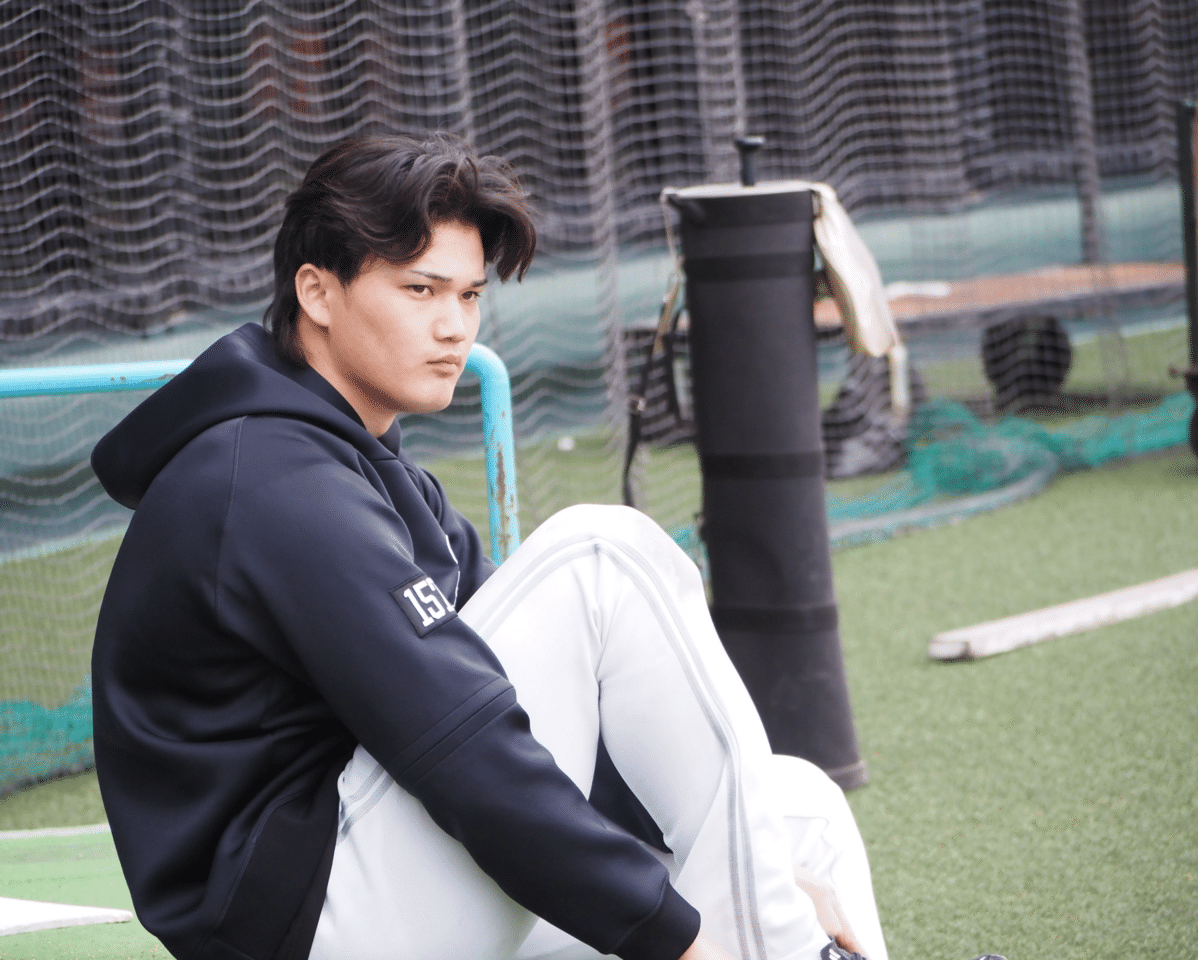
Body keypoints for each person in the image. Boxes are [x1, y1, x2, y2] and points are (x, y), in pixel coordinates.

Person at [90, 134, 990, 960]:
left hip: (372, 878)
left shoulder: (361, 462)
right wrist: (682, 941)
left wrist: (734, 888)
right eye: (420, 290)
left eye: (469, 295)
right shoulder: (269, 481)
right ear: (317, 292)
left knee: (797, 812)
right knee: (602, 556)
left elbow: (528, 718)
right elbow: (467, 751)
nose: (455, 326)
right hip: (302, 918)